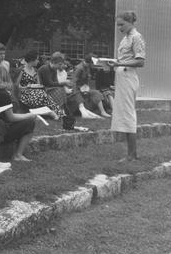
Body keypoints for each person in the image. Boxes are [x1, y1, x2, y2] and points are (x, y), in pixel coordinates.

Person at [108, 11, 146, 162]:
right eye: (118, 25)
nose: (119, 27)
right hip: (121, 77)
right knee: (123, 113)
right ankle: (130, 153)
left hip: (129, 77)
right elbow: (124, 58)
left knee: (128, 113)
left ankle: (132, 154)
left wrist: (120, 63)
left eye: (122, 24)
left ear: (130, 22)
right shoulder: (126, 39)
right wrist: (113, 63)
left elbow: (140, 61)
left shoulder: (137, 37)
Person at [0, 66, 37, 162]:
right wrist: (29, 115)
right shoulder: (4, 94)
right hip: (2, 131)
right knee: (30, 122)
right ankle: (18, 154)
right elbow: (11, 118)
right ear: (7, 78)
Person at [38, 52, 100, 119]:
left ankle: (82, 111)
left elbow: (55, 82)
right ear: (53, 62)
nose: (60, 66)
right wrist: (63, 83)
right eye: (59, 64)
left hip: (53, 88)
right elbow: (49, 83)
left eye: (61, 64)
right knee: (62, 90)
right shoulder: (45, 68)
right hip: (45, 89)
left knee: (72, 91)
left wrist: (64, 86)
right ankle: (64, 111)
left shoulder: (54, 69)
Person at [16, 50, 65, 119]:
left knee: (44, 95)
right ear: (32, 60)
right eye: (37, 59)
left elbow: (39, 84)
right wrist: (26, 87)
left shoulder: (35, 71)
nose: (38, 61)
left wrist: (37, 86)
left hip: (35, 92)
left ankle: (58, 113)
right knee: (42, 95)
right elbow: (16, 86)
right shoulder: (22, 70)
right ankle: (52, 113)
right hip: (24, 93)